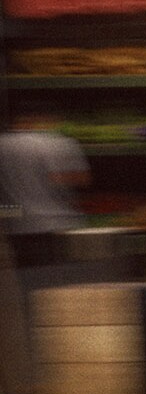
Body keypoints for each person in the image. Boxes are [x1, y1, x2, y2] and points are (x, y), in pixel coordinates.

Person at [0, 109, 90, 273]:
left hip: (18, 226)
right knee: (58, 283)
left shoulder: (3, 145)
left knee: (29, 281)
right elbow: (81, 178)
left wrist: (8, 215)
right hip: (58, 224)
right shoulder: (58, 142)